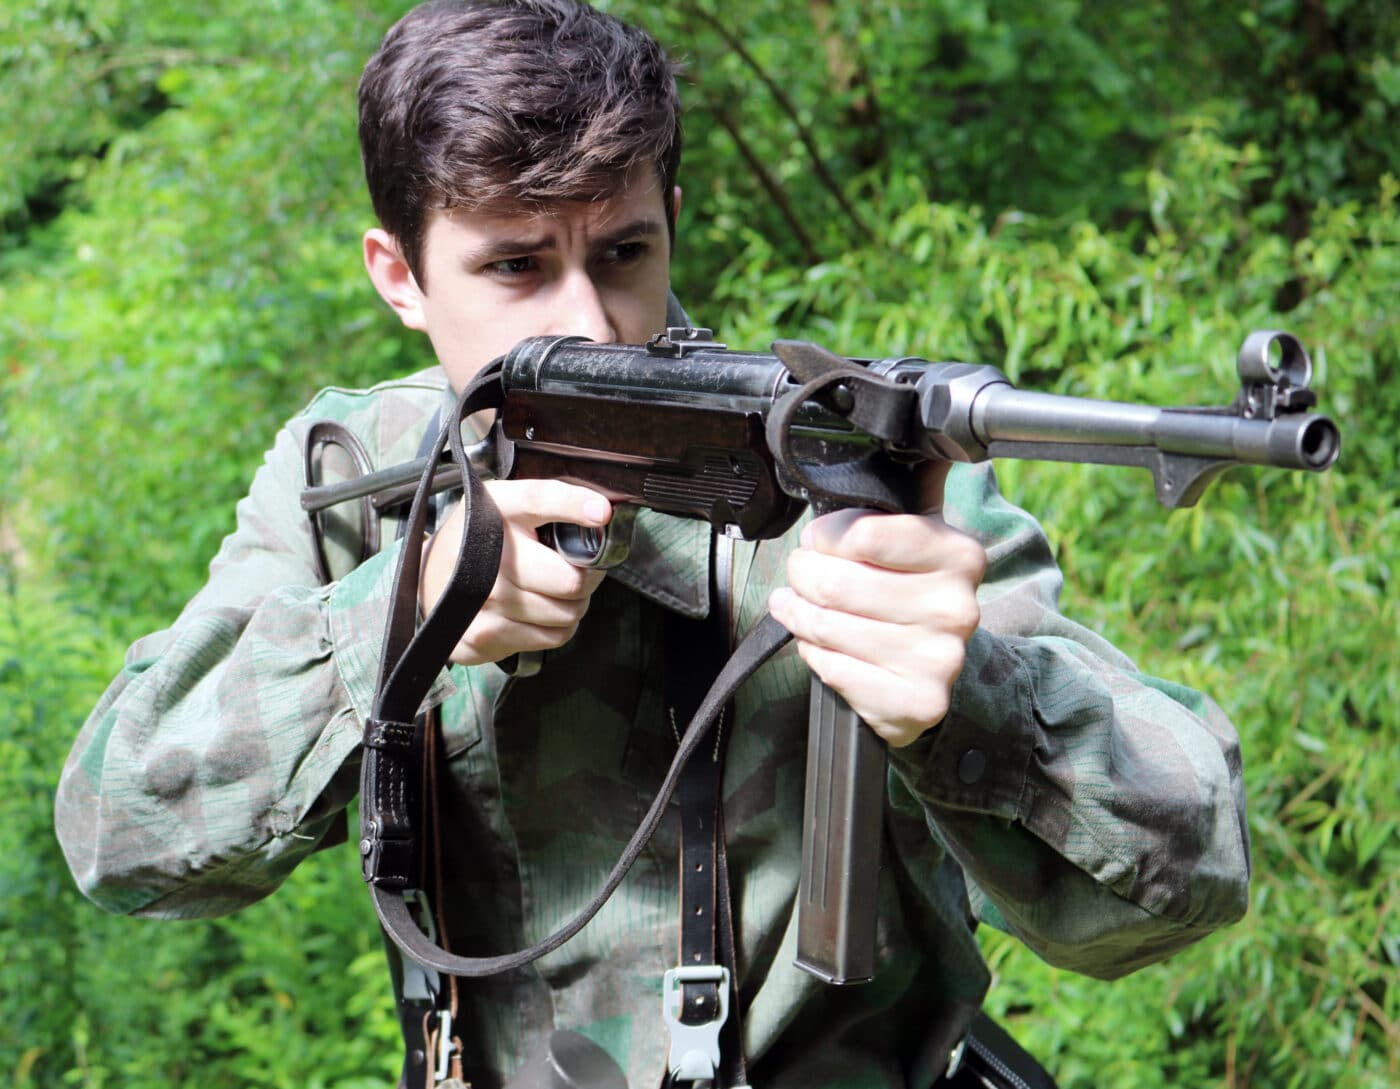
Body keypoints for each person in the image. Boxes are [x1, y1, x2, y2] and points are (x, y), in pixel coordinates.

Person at [55, 1, 1252, 1087]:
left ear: (672, 221)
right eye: (514, 267)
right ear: (400, 277)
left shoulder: (855, 473)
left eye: (621, 253)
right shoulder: (356, 477)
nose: (587, 323)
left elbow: (1188, 877)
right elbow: (119, 834)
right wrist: (400, 623)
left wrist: (968, 697)